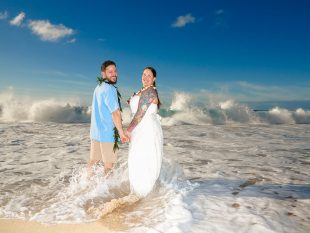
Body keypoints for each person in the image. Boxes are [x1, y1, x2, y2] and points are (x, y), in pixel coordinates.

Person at [126, 66, 163, 197]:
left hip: (146, 129)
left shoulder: (150, 91)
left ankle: (144, 195)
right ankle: (140, 195)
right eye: (143, 74)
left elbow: (140, 113)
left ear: (154, 78)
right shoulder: (143, 91)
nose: (145, 77)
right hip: (140, 129)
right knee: (137, 160)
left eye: (149, 75)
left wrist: (128, 130)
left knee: (144, 160)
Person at [89, 60, 127, 175]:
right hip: (107, 134)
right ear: (103, 74)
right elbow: (115, 112)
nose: (114, 74)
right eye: (110, 72)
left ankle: (84, 184)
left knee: (93, 162)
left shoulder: (98, 87)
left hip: (96, 133)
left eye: (115, 71)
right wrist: (121, 132)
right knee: (109, 167)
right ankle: (106, 191)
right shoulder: (110, 89)